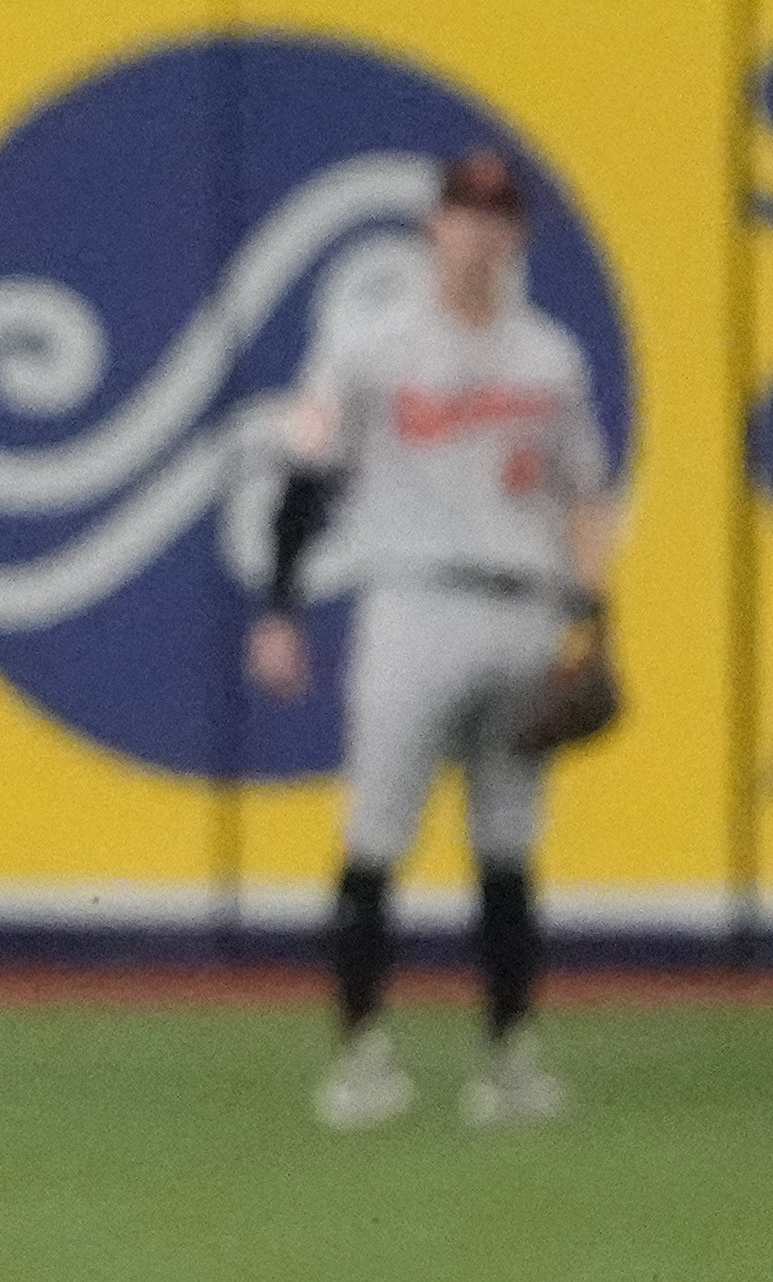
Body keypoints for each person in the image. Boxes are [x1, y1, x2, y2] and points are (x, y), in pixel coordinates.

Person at [245, 148, 619, 1135]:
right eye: (464, 212)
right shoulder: (371, 347)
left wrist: (593, 620)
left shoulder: (552, 358)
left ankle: (510, 1057)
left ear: (518, 235)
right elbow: (306, 479)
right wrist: (280, 609)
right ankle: (363, 1053)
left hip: (525, 608)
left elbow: (584, 497)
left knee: (509, 849)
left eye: (498, 215)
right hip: (411, 602)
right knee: (376, 838)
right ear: (434, 227)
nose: (480, 231)